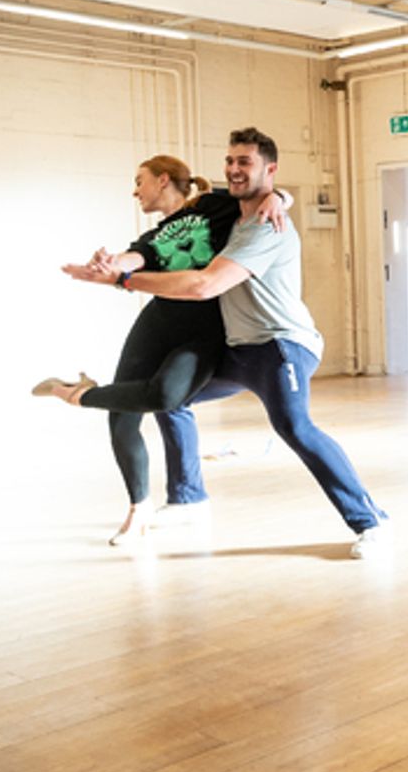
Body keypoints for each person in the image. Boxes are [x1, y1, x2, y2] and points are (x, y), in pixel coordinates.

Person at [61, 127, 389, 559]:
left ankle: (371, 521)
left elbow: (203, 285)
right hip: (239, 350)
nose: (234, 170)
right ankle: (188, 498)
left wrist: (123, 279)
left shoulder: (265, 227)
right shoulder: (230, 212)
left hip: (280, 346)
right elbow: (173, 234)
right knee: (171, 398)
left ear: (269, 169)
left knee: (295, 427)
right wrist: (280, 194)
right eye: (230, 161)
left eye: (245, 163)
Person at [33, 155, 288, 544]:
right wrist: (107, 264)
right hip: (158, 323)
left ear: (163, 180)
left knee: (168, 397)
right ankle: (139, 508)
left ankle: (73, 393)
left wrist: (280, 198)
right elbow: (134, 259)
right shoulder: (154, 234)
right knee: (121, 416)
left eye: (140, 181)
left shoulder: (212, 206)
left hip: (204, 329)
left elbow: (262, 201)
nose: (135, 190)